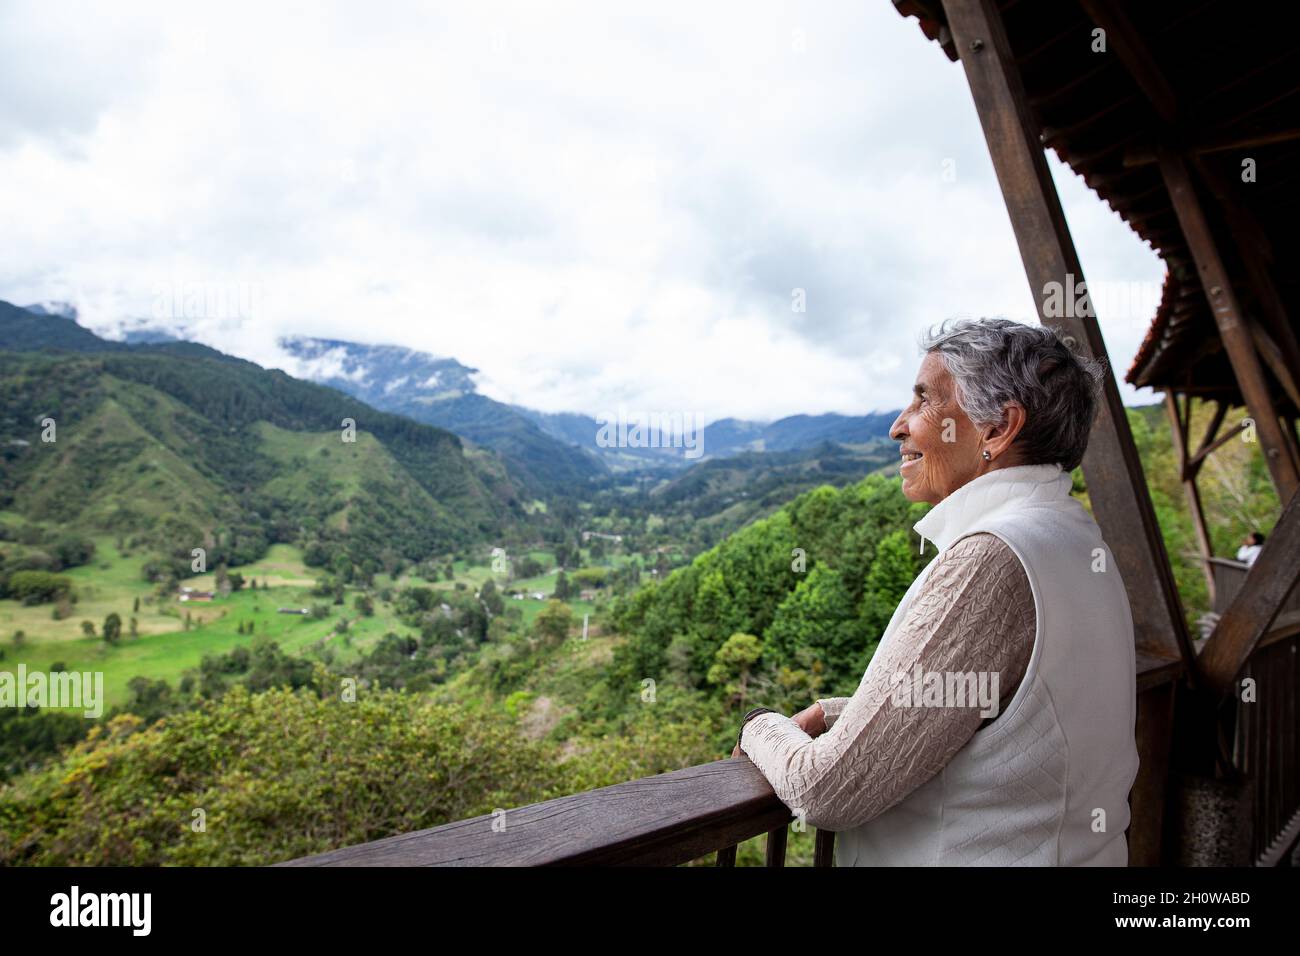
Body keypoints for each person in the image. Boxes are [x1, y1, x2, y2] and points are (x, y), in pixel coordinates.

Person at [733, 317, 1140, 866]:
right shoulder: (1070, 535)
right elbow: (1008, 707)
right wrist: (839, 715)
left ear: (998, 427)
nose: (898, 426)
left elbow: (827, 790)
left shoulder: (993, 559)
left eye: (923, 400)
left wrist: (760, 725)